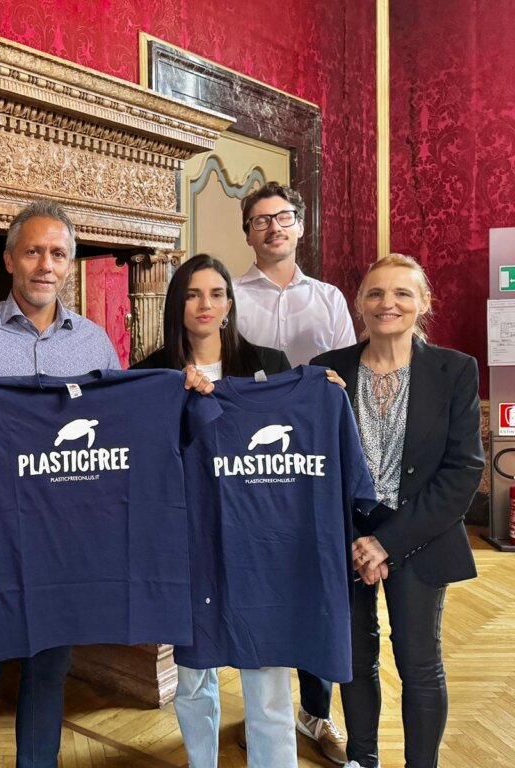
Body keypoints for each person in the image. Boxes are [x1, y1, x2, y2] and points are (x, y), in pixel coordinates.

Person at [0, 200, 122, 768]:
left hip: (66, 532)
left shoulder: (94, 344)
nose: (46, 264)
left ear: (69, 265)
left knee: (48, 674)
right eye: (34, 251)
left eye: (58, 254)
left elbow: (118, 429)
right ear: (10, 259)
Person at [136, 253, 311, 767]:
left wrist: (325, 390)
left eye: (216, 294)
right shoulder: (149, 374)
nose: (204, 305)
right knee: (193, 672)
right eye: (192, 294)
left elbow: (297, 433)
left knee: (267, 669)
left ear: (230, 304)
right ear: (177, 304)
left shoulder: (269, 364)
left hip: (259, 538)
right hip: (186, 539)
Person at [312, 254, 483, 768]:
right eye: (375, 293)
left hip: (422, 536)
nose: (388, 303)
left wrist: (386, 542)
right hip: (346, 538)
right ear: (359, 304)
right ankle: (361, 758)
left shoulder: (455, 370)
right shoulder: (327, 370)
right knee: (354, 657)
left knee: (419, 662)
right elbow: (315, 465)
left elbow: (462, 471)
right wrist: (354, 537)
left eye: (402, 293)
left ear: (424, 302)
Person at [233, 181, 355, 763]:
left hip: (312, 457)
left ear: (300, 226)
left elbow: (345, 378)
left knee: (313, 574)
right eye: (260, 220)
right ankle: (264, 713)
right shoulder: (229, 295)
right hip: (249, 461)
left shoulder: (329, 299)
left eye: (282, 217)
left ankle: (316, 713)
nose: (273, 227)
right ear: (248, 233)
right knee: (259, 576)